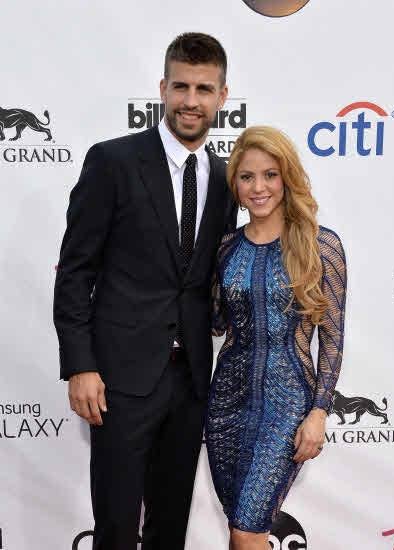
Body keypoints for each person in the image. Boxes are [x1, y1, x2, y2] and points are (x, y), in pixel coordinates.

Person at [53, 32, 236, 550]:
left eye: (204, 89)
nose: (191, 101)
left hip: (192, 380)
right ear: (162, 88)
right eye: (181, 87)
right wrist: (80, 364)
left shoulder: (227, 180)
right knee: (114, 526)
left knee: (169, 525)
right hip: (119, 379)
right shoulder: (112, 161)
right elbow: (75, 270)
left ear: (224, 96)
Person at [205, 126, 347, 550]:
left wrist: (319, 411)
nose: (259, 187)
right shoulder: (226, 247)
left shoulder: (321, 245)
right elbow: (214, 324)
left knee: (248, 530)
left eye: (270, 174)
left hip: (287, 406)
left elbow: (333, 338)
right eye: (247, 177)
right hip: (226, 404)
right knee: (240, 529)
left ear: (287, 177)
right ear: (235, 186)